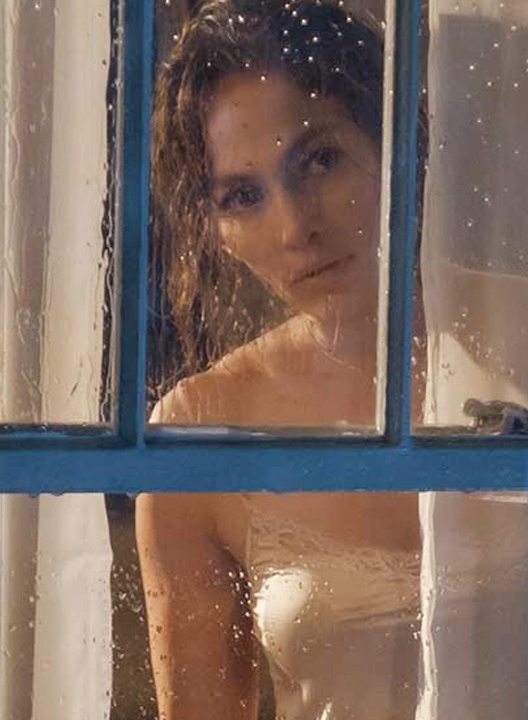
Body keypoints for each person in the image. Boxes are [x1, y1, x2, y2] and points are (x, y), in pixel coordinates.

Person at [136, 2, 421, 719]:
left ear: (396, 142)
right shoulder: (203, 430)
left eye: (319, 160)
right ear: (213, 228)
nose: (295, 228)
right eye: (242, 196)